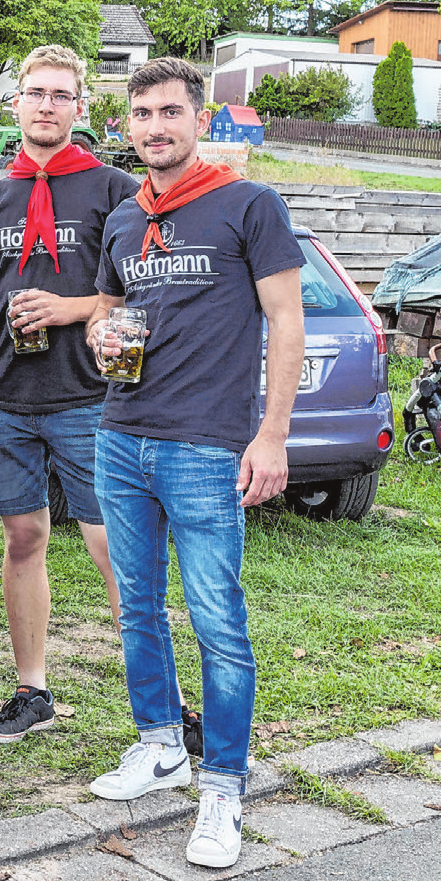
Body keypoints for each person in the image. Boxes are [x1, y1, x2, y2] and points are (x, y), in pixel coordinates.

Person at [85, 57, 304, 870]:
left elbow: (286, 322)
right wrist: (98, 337)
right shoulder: (122, 217)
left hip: (206, 444)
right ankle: (158, 741)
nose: (154, 127)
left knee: (218, 620)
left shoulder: (250, 205)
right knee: (136, 602)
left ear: (201, 121)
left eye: (170, 112)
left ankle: (223, 787)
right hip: (120, 433)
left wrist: (271, 434)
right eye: (141, 114)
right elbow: (105, 316)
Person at [0, 46, 138, 745]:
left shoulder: (114, 189)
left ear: (80, 107)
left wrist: (72, 309)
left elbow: (138, 292)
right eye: (37, 93)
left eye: (62, 95)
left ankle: (160, 696)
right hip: (3, 400)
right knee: (23, 537)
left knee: (110, 543)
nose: (48, 105)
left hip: (89, 396)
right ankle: (33, 688)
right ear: (17, 103)